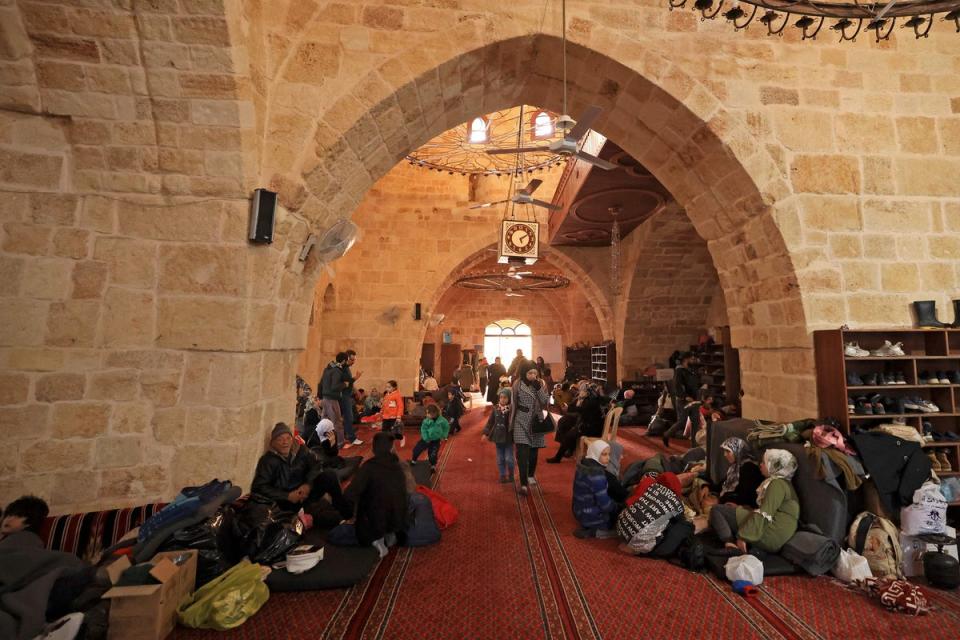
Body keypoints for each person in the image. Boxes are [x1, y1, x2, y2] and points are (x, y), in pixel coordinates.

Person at [251, 422, 352, 518]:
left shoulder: (301, 450)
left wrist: (308, 485)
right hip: (286, 503)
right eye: (280, 439)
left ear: (292, 439)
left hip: (305, 494)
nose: (285, 442)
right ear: (273, 443)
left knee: (330, 475)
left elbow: (316, 465)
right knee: (326, 519)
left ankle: (345, 514)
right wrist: (287, 496)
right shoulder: (267, 461)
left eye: (288, 438)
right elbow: (259, 487)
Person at [709, 449, 800, 554]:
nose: (760, 465)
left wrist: (743, 537)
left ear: (773, 467)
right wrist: (743, 509)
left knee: (717, 510)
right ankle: (753, 548)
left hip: (772, 534)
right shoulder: (784, 484)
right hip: (776, 536)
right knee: (734, 511)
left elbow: (765, 512)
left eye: (764, 463)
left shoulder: (777, 484)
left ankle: (730, 545)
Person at [343, 432, 409, 558]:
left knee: (338, 534)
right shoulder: (398, 467)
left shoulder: (368, 468)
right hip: (398, 519)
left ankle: (376, 539)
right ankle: (390, 533)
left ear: (373, 449)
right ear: (391, 448)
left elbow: (350, 494)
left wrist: (347, 514)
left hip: (375, 520)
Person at [511, 360, 550, 495]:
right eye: (530, 373)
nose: (533, 375)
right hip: (521, 419)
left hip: (536, 421)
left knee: (533, 452)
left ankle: (530, 474)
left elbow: (545, 401)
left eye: (535, 372)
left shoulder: (541, 383)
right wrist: (510, 422)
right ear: (524, 373)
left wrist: (539, 388)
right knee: (522, 453)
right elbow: (513, 403)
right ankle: (523, 484)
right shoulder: (517, 384)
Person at [572, 441, 620, 539]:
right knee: (619, 527)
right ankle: (595, 532)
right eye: (604, 454)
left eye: (609, 454)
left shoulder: (584, 464)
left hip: (578, 510)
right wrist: (618, 508)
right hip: (591, 516)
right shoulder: (596, 475)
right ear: (595, 454)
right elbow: (605, 505)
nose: (608, 458)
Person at [547, 383, 604, 463]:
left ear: (588, 392)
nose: (581, 391)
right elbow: (576, 408)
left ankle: (558, 457)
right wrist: (575, 402)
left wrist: (570, 407)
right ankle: (568, 447)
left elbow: (581, 409)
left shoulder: (592, 401)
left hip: (592, 429)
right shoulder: (589, 399)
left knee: (569, 434)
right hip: (587, 424)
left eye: (583, 390)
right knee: (564, 423)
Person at [663, 352, 701, 447]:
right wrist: (685, 396)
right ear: (686, 360)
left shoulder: (691, 370)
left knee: (695, 422)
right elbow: (677, 386)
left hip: (694, 400)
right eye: (692, 359)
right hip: (683, 401)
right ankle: (666, 435)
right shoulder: (679, 371)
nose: (693, 361)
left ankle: (694, 445)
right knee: (682, 422)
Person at [718, 437, 763, 507]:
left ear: (738, 451)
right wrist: (706, 487)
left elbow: (746, 496)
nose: (725, 454)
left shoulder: (749, 468)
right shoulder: (734, 468)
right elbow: (722, 484)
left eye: (728, 451)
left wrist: (721, 500)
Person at [481, 389, 514, 483]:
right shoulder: (496, 409)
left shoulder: (512, 410)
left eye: (505, 398)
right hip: (498, 437)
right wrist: (485, 433)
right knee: (500, 458)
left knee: (509, 459)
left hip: (508, 438)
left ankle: (511, 473)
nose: (502, 400)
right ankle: (502, 475)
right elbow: (490, 422)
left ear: (509, 399)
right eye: (501, 397)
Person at [320, 352, 348, 446]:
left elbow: (321, 383)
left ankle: (323, 442)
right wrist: (344, 384)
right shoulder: (337, 371)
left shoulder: (327, 369)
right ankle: (340, 443)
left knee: (324, 421)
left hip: (325, 398)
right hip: (331, 399)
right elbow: (334, 387)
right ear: (344, 361)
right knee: (337, 422)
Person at [411, 404, 449, 471]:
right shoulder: (426, 421)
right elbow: (423, 429)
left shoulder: (442, 420)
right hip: (426, 439)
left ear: (434, 413)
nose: (427, 415)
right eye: (427, 413)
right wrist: (426, 438)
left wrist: (444, 436)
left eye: (428, 413)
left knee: (433, 454)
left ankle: (433, 465)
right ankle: (414, 459)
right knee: (417, 450)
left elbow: (446, 427)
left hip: (436, 440)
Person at [340, 349, 364, 447]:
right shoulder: (342, 368)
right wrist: (356, 378)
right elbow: (345, 383)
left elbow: (349, 382)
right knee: (348, 417)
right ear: (346, 358)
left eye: (354, 360)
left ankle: (347, 433)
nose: (353, 362)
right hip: (343, 396)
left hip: (347, 395)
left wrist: (356, 390)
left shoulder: (347, 368)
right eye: (352, 360)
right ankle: (351, 438)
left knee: (348, 417)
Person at [381, 379, 405, 447]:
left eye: (389, 387)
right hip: (385, 417)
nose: (387, 388)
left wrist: (398, 416)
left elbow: (400, 406)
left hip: (393, 417)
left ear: (394, 387)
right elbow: (384, 405)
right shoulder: (386, 395)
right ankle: (387, 443)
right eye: (386, 387)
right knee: (384, 431)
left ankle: (401, 438)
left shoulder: (397, 395)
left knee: (394, 431)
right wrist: (381, 412)